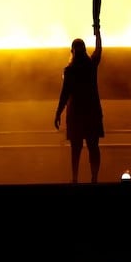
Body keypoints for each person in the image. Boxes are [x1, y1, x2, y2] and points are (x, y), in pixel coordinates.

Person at [54, 24, 104, 183]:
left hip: (76, 114)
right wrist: (98, 33)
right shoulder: (91, 66)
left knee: (76, 149)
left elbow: (64, 94)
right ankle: (94, 177)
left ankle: (75, 178)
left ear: (72, 52)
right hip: (92, 112)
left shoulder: (69, 71)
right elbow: (98, 50)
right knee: (93, 147)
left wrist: (58, 112)